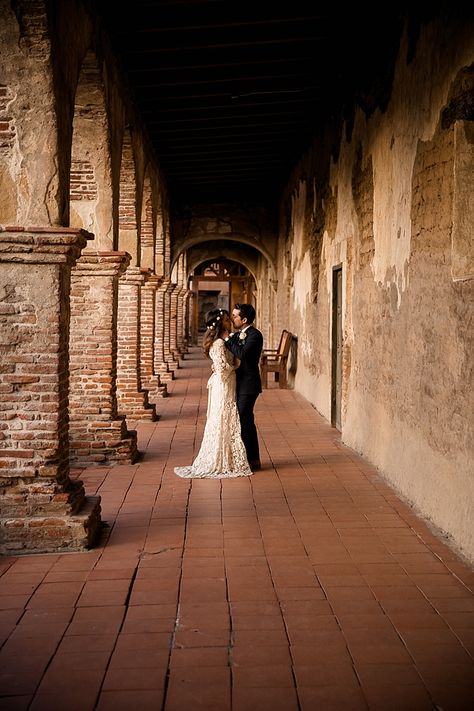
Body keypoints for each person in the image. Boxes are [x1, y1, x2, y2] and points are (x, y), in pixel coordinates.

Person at [174, 308, 252, 479]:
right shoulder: (218, 343)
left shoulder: (222, 341)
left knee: (226, 419)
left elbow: (221, 365)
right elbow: (223, 371)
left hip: (226, 383)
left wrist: (223, 366)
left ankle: (227, 457)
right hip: (224, 385)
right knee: (223, 418)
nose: (229, 321)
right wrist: (235, 367)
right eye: (226, 319)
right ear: (220, 323)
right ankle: (220, 459)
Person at [224, 303, 263, 471]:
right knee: (242, 420)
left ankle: (253, 459)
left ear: (244, 319)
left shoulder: (255, 335)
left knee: (245, 420)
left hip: (249, 384)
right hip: (239, 383)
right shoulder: (238, 334)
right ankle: (246, 458)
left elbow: (242, 354)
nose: (233, 318)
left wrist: (227, 340)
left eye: (235, 316)